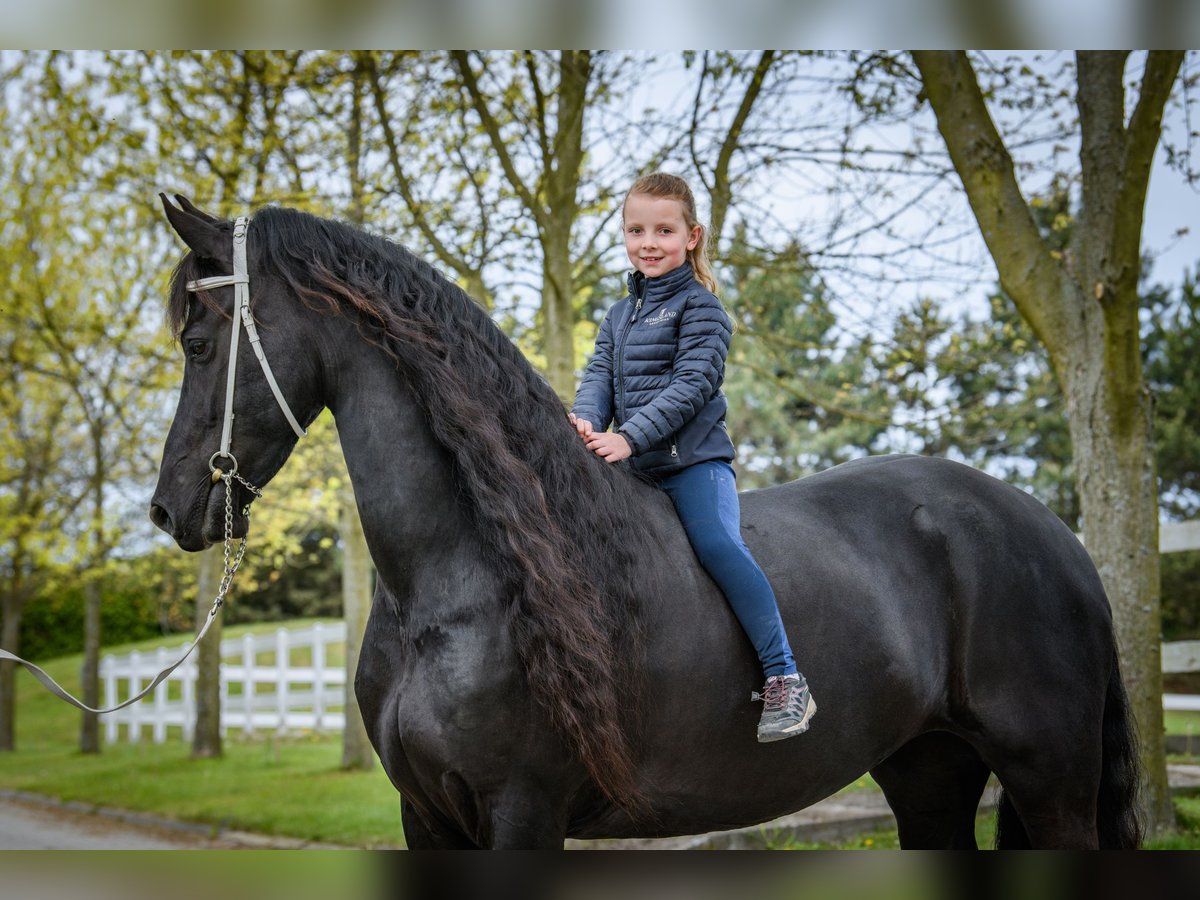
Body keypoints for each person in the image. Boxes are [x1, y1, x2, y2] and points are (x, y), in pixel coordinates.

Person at [570, 172, 816, 743]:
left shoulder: (703, 310)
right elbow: (599, 377)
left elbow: (692, 386)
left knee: (719, 547)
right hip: (633, 472)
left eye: (663, 230)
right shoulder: (618, 314)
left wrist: (628, 437)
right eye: (636, 230)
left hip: (692, 467)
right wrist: (585, 420)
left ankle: (785, 676)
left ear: (692, 236)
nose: (648, 242)